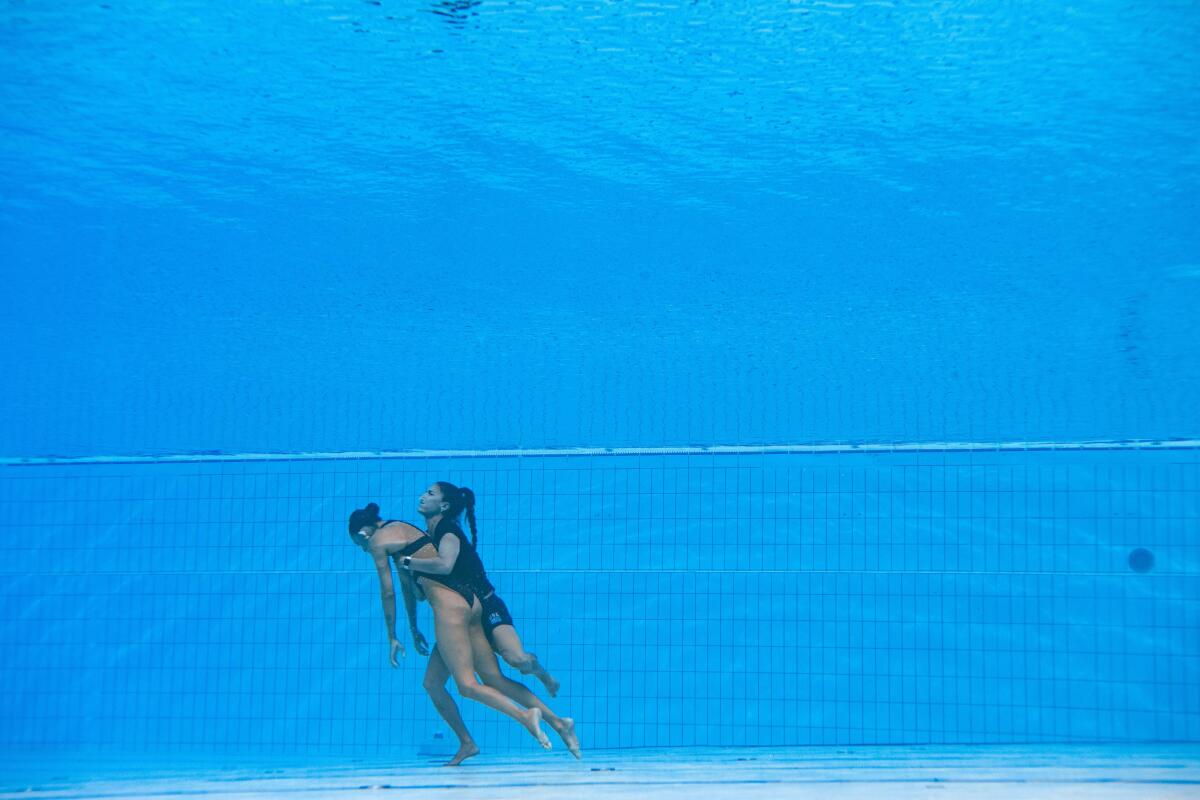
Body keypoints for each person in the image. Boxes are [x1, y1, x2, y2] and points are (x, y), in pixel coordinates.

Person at [347, 502, 553, 759]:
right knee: (436, 682)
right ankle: (468, 743)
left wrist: (392, 637)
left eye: (359, 544)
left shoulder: (378, 542)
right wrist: (413, 627)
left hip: (450, 609)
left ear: (363, 533)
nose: (364, 549)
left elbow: (387, 592)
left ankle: (526, 716)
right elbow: (408, 590)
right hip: (471, 602)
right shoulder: (402, 531)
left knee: (468, 685)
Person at [405, 482, 581, 764]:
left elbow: (446, 565)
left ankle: (542, 675)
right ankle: (558, 724)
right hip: (461, 616)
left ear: (445, 505)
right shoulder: (426, 538)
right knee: (464, 681)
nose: (422, 496)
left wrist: (407, 564)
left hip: (486, 606)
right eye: (424, 491)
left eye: (430, 494)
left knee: (517, 660)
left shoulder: (447, 531)